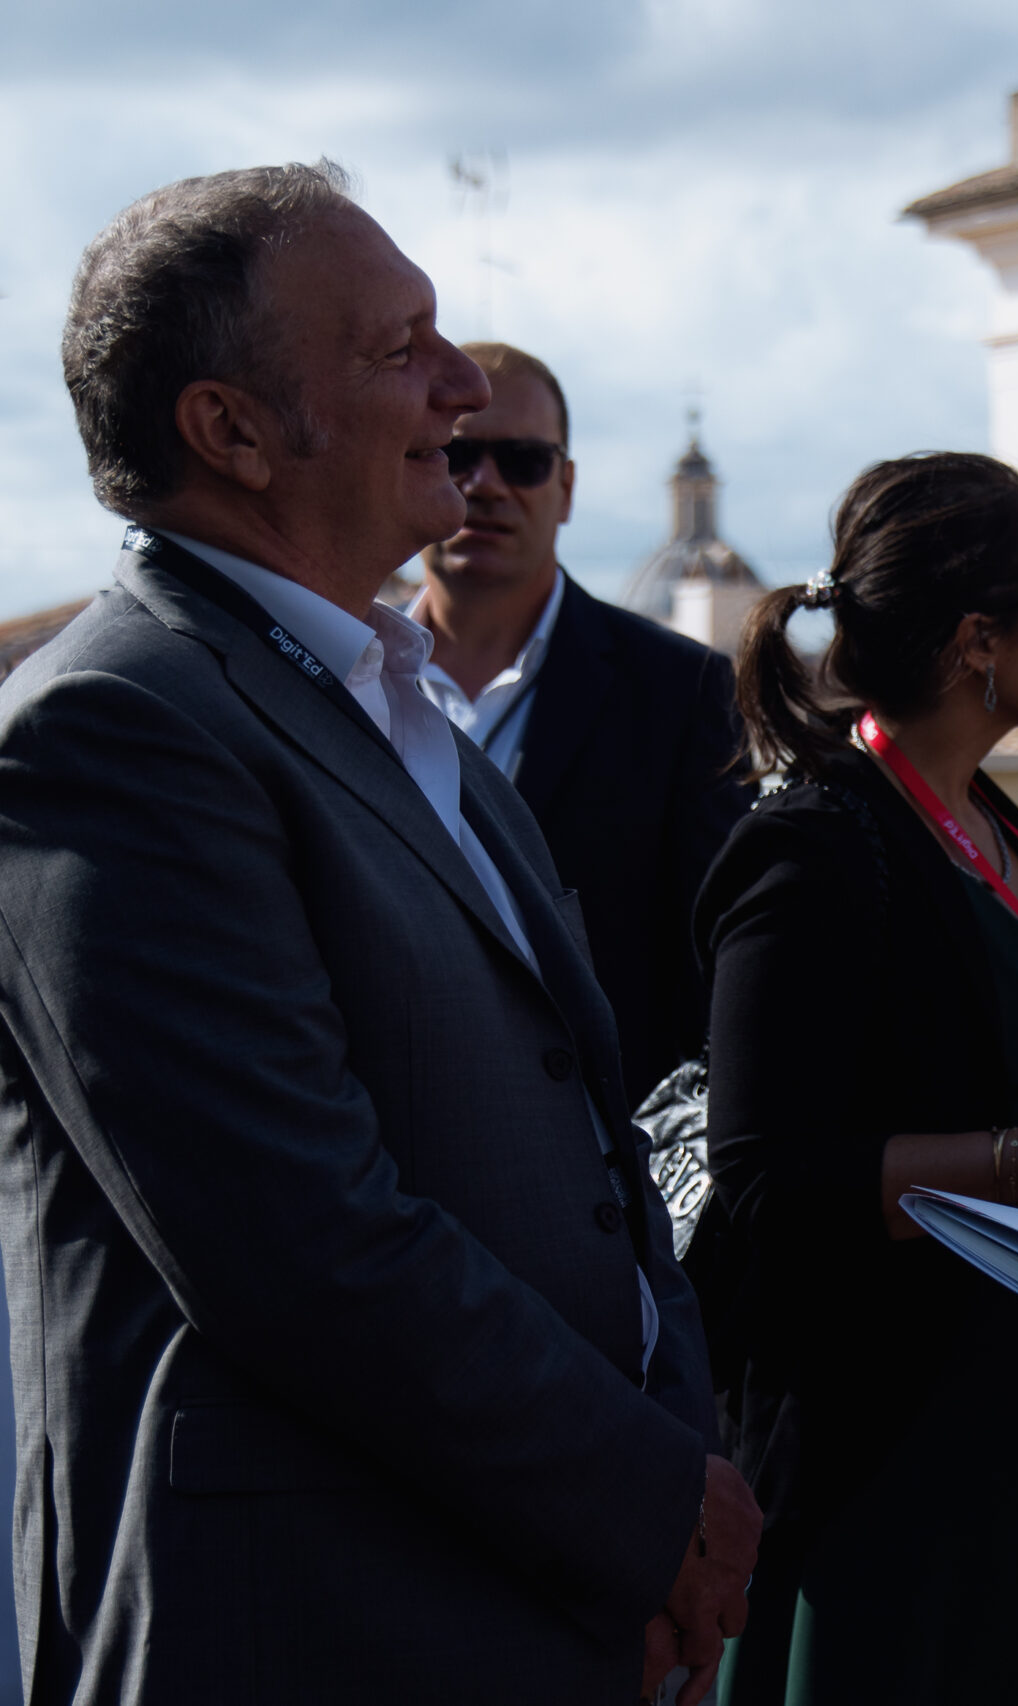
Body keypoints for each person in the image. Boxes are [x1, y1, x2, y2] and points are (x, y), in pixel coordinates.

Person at [5, 163, 754, 1705]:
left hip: (528, 1582)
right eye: (399, 347)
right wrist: (642, 1495)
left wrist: (670, 1459)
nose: (464, 386)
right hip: (316, 1621)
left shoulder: (397, 714)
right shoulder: (113, 726)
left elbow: (595, 1150)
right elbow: (302, 1236)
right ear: (229, 429)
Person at [696, 451, 1018, 1704]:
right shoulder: (816, 848)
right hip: (898, 1476)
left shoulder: (994, 821)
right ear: (976, 639)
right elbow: (771, 1184)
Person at [415, 342, 750, 1101]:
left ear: (565, 488)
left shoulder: (682, 691)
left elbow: (716, 964)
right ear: (407, 467)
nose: (486, 484)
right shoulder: (335, 678)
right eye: (455, 454)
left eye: (524, 460)